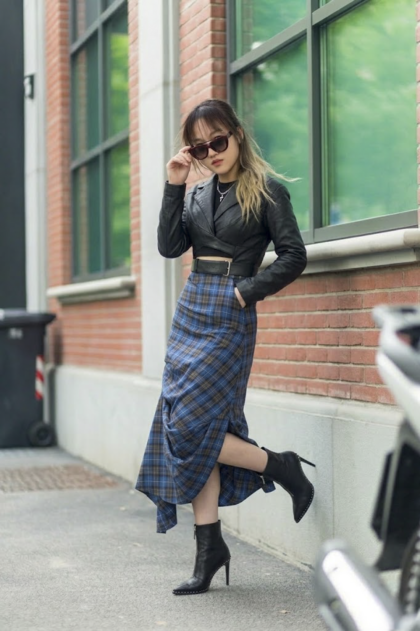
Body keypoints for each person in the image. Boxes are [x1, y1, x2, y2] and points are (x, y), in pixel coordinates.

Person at [136, 99, 314, 596]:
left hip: (231, 312)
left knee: (193, 427)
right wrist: (173, 185)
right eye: (200, 147)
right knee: (182, 420)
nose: (211, 152)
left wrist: (247, 291)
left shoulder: (267, 191)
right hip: (191, 309)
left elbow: (294, 255)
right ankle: (210, 547)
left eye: (218, 141)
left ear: (236, 134)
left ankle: (280, 466)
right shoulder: (194, 193)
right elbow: (170, 247)